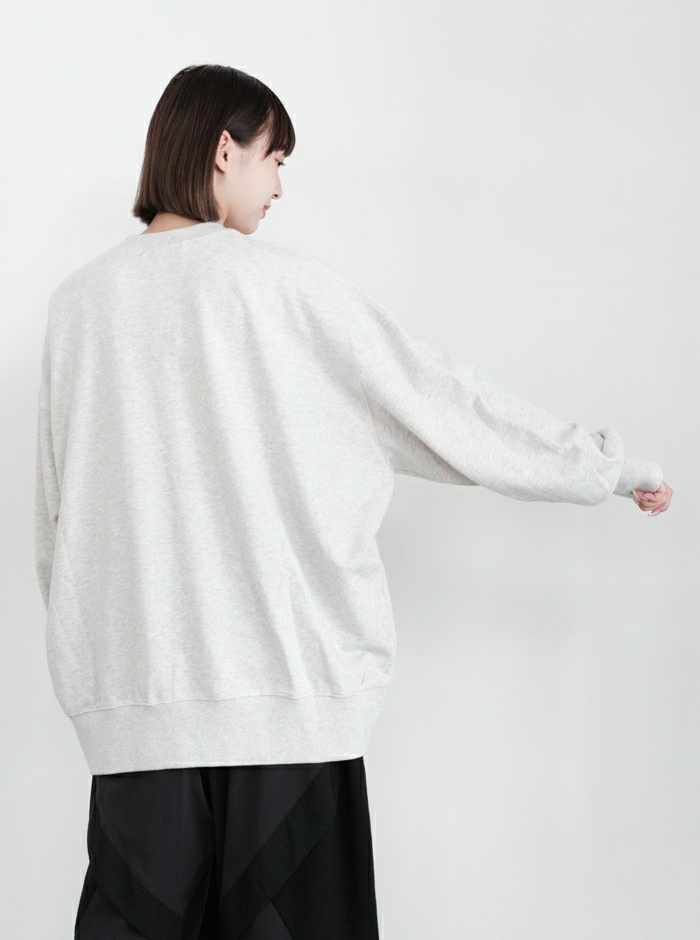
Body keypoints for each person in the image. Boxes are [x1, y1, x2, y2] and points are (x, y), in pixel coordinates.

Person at [34, 63, 672, 940]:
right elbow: (441, 403)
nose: (279, 186)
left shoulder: (77, 307)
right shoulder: (284, 291)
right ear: (224, 151)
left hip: (136, 732)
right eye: (274, 159)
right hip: (290, 718)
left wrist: (106, 685)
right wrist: (606, 467)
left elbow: (58, 527)